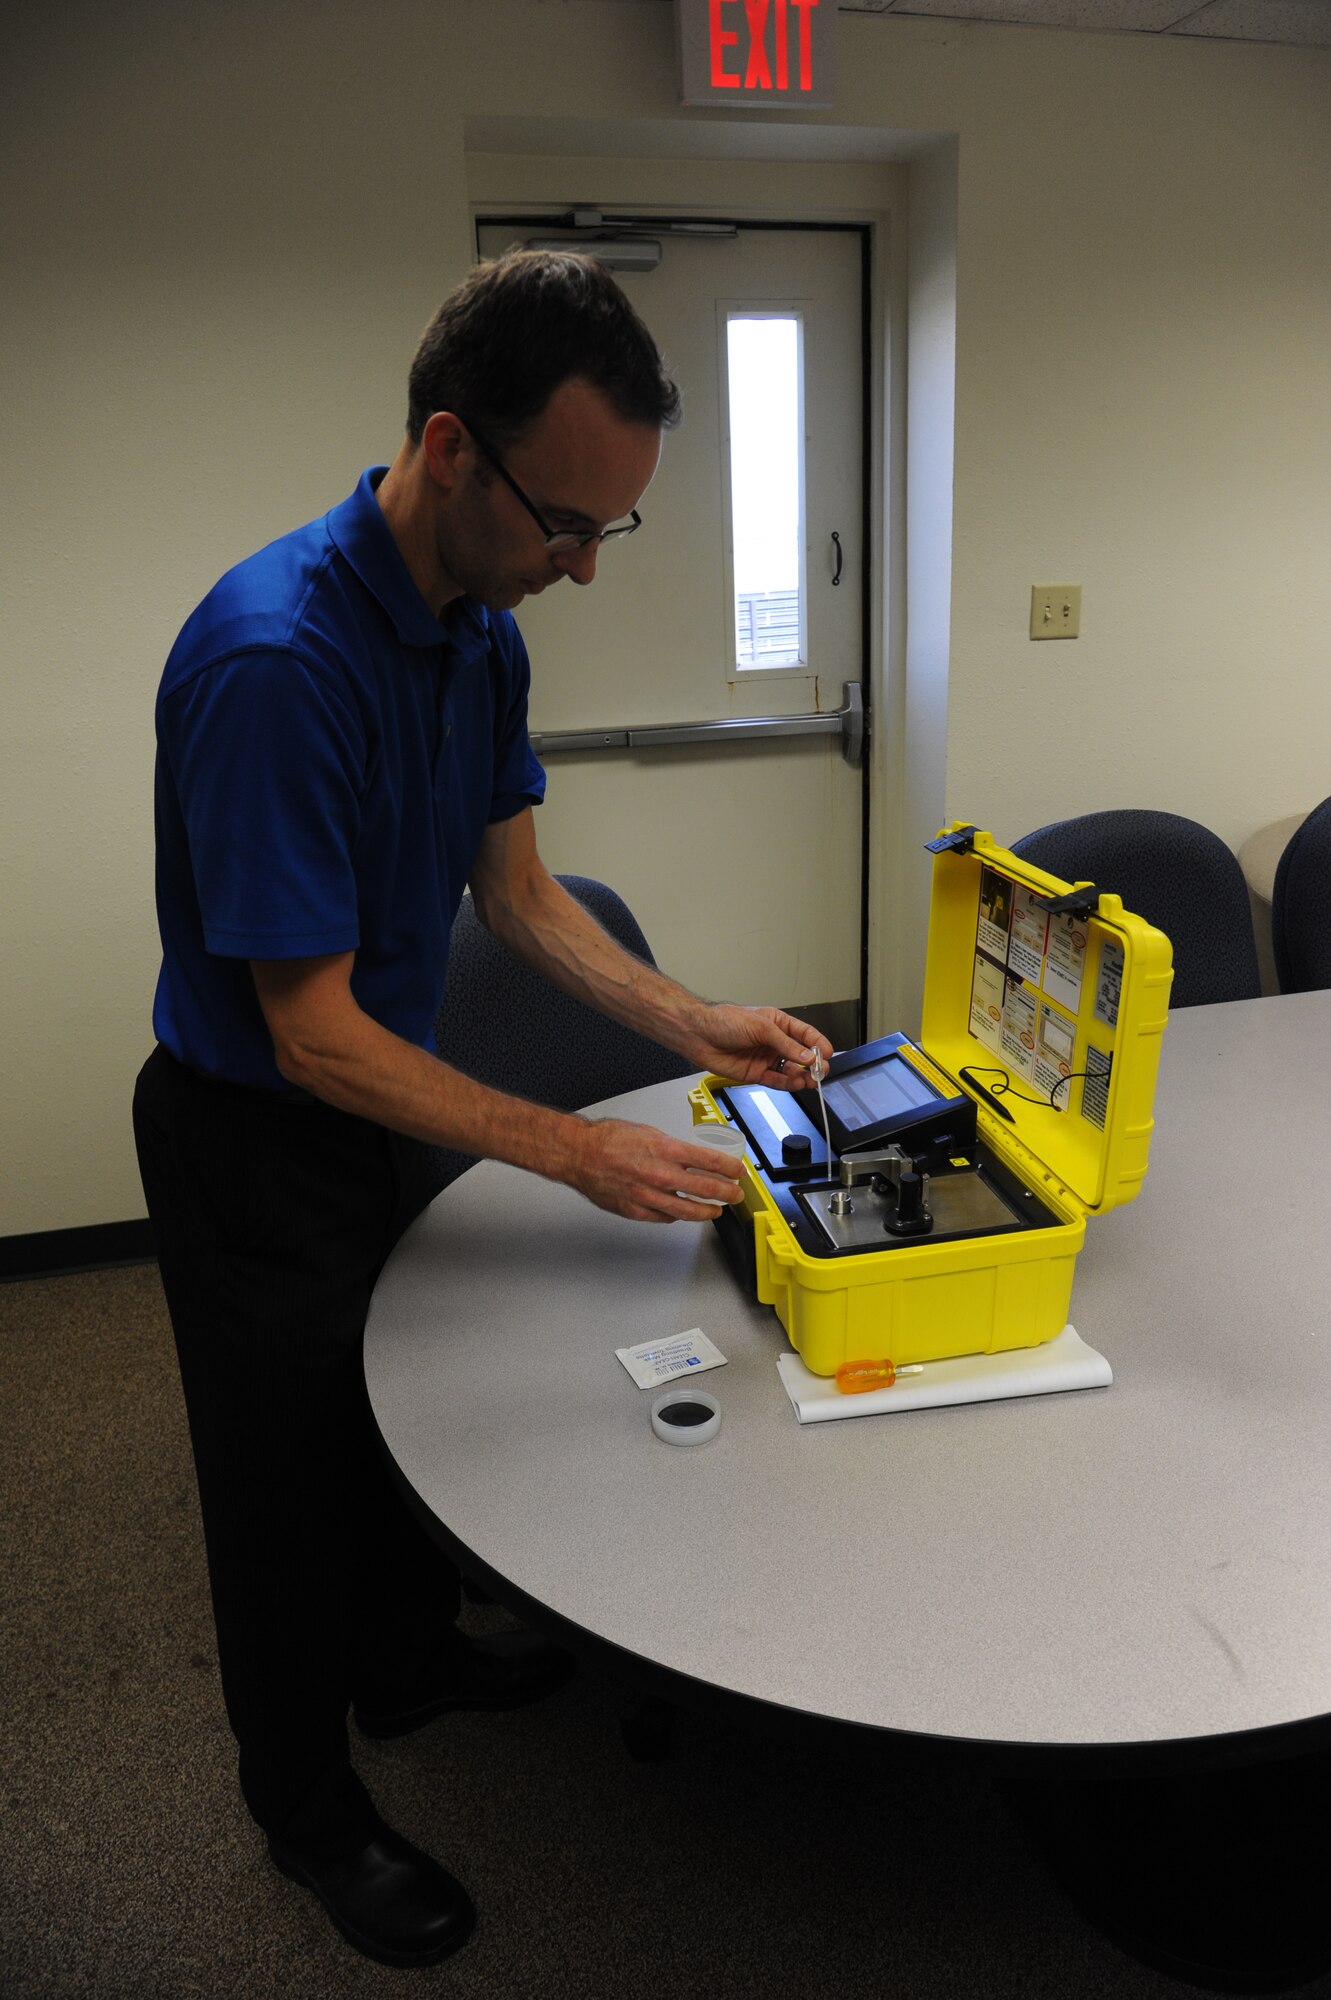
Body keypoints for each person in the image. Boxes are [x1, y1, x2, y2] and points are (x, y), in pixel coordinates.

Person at [132, 249, 833, 1969]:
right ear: (451, 448)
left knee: (390, 1418)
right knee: (280, 1486)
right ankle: (305, 1812)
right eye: (566, 524)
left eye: (614, 534)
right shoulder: (276, 663)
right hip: (255, 1128)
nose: (584, 568)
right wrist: (580, 1144)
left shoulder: (477, 630)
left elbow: (516, 901)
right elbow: (306, 1037)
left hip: (382, 1097)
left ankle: (408, 1657)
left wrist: (702, 1019)